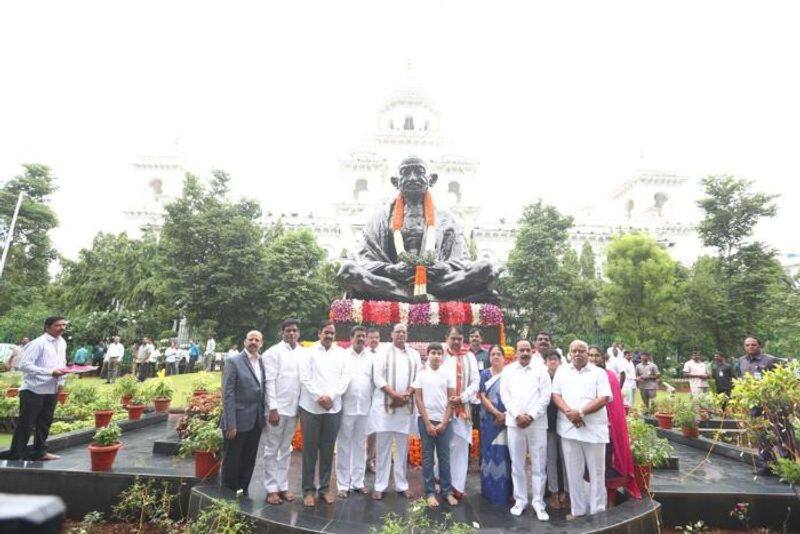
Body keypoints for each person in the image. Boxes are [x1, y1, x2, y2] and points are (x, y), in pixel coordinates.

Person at [551, 339, 612, 519]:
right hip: (569, 429)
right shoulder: (562, 372)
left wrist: (581, 413)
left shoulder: (598, 373)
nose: (578, 354)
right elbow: (556, 394)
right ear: (570, 354)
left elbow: (604, 398)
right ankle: (577, 511)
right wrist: (570, 413)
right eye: (574, 351)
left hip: (593, 430)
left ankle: (598, 511)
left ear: (587, 353)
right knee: (573, 473)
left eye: (581, 351)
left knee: (597, 473)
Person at [298, 321, 351, 506]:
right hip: (311, 408)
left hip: (333, 408)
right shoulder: (308, 352)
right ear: (319, 333)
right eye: (326, 332)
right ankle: (308, 491)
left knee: (328, 450)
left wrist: (332, 396)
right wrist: (319, 397)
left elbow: (346, 377)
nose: (329, 336)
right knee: (310, 450)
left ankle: (325, 488)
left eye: (331, 333)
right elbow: (304, 376)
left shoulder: (342, 354)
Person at [4, 316, 69, 461]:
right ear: (47, 327)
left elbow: (62, 363)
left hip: (51, 389)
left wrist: (61, 382)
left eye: (64, 325)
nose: (62, 328)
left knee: (45, 423)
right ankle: (16, 455)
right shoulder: (38, 343)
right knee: (26, 424)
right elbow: (24, 365)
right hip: (33, 389)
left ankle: (40, 452)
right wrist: (49, 372)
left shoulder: (62, 342)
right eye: (58, 325)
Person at [500, 339, 552, 519]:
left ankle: (538, 503)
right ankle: (520, 500)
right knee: (517, 464)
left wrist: (530, 416)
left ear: (533, 351)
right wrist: (517, 415)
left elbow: (546, 396)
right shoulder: (508, 371)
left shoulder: (541, 370)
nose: (524, 353)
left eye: (527, 350)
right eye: (521, 350)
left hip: (536, 424)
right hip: (515, 424)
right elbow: (505, 396)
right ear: (515, 352)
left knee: (538, 465)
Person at [370, 323, 422, 500]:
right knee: (382, 448)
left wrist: (407, 393)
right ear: (391, 334)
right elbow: (377, 376)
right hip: (386, 407)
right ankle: (380, 485)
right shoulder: (383, 351)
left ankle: (401, 484)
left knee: (402, 448)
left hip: (404, 408)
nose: (401, 334)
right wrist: (393, 394)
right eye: (398, 331)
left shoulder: (414, 354)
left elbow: (418, 377)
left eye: (404, 332)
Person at [588, 346, 641, 501]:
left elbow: (614, 403)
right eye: (590, 355)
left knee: (608, 463)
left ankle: (609, 500)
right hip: (587, 426)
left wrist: (611, 422)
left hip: (607, 426)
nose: (593, 358)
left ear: (603, 358)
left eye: (597, 355)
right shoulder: (583, 375)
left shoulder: (609, 376)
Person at [220, 330, 267, 495]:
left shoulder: (262, 362)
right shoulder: (233, 361)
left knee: (249, 460)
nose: (253, 342)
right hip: (237, 422)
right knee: (232, 460)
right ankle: (226, 494)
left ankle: (243, 491)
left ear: (261, 343)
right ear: (244, 342)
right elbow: (227, 394)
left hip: (256, 421)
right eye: (250, 339)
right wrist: (230, 424)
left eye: (257, 340)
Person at [262, 319, 303, 505]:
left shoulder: (303, 353)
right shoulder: (273, 353)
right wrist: (272, 408)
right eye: (288, 331)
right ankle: (271, 489)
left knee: (286, 449)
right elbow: (269, 381)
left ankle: (283, 485)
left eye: (295, 330)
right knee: (272, 449)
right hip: (277, 411)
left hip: (294, 410)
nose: (292, 334)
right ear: (282, 333)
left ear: (299, 333)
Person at [412, 343, 458, 507]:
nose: (436, 356)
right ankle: (430, 492)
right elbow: (418, 399)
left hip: (445, 422)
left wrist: (444, 423)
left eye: (439, 353)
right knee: (427, 457)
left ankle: (446, 491)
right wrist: (428, 423)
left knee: (444, 458)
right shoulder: (421, 374)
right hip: (426, 421)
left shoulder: (447, 374)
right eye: (433, 353)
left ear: (442, 356)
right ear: (428, 354)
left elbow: (452, 400)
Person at [442, 326, 480, 500]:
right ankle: (440, 482)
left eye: (459, 338)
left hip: (462, 409)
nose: (456, 341)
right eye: (453, 338)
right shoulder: (440, 354)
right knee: (441, 448)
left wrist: (462, 397)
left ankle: (457, 485)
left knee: (461, 447)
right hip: (442, 408)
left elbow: (475, 382)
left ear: (463, 339)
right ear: (447, 338)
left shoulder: (469, 356)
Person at [336, 326, 373, 498]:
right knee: (344, 446)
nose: (361, 339)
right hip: (346, 408)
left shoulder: (372, 358)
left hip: (364, 408)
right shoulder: (343, 357)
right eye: (358, 336)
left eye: (363, 336)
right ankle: (343, 484)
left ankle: (358, 482)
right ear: (351, 338)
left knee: (360, 445)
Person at [478, 344, 513, 507]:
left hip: (508, 420)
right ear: (489, 357)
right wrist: (496, 414)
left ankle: (506, 492)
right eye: (493, 354)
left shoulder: (510, 375)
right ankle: (489, 491)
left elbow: (515, 395)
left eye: (499, 354)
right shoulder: (484, 374)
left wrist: (505, 415)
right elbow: (482, 396)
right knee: (489, 454)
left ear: (504, 357)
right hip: (489, 421)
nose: (496, 357)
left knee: (505, 456)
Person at [543, 349, 569, 510]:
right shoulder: (542, 378)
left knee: (567, 461)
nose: (553, 362)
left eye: (555, 359)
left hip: (566, 424)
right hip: (548, 425)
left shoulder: (567, 377)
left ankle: (566, 492)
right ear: (545, 362)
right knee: (551, 460)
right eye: (550, 359)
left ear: (560, 362)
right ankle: (553, 492)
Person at [365, 327, 381, 474]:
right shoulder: (363, 354)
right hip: (363, 397)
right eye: (371, 337)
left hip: (378, 398)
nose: (374, 340)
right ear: (366, 339)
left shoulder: (383, 354)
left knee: (374, 431)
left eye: (376, 337)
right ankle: (361, 459)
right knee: (361, 431)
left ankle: (371, 459)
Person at [468, 328, 489, 430]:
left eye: (477, 336)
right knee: (468, 423)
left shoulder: (487, 355)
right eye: (472, 336)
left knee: (481, 424)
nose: (474, 338)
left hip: (483, 395)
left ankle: (481, 446)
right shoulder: (465, 354)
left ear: (481, 339)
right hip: (468, 394)